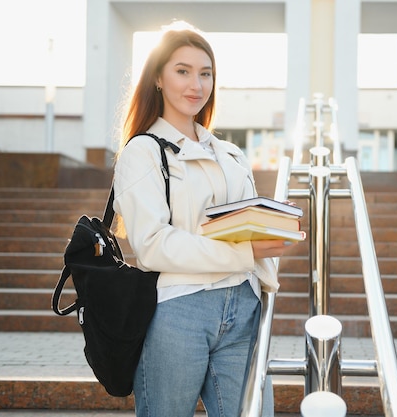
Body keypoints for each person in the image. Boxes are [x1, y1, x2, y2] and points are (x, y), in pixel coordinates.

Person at [113, 21, 296, 417]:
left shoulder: (230, 153)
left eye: (205, 72)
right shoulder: (143, 152)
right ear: (158, 78)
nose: (196, 84)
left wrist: (270, 237)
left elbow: (246, 223)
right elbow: (152, 246)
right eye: (182, 71)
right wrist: (245, 252)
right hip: (178, 309)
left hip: (243, 306)